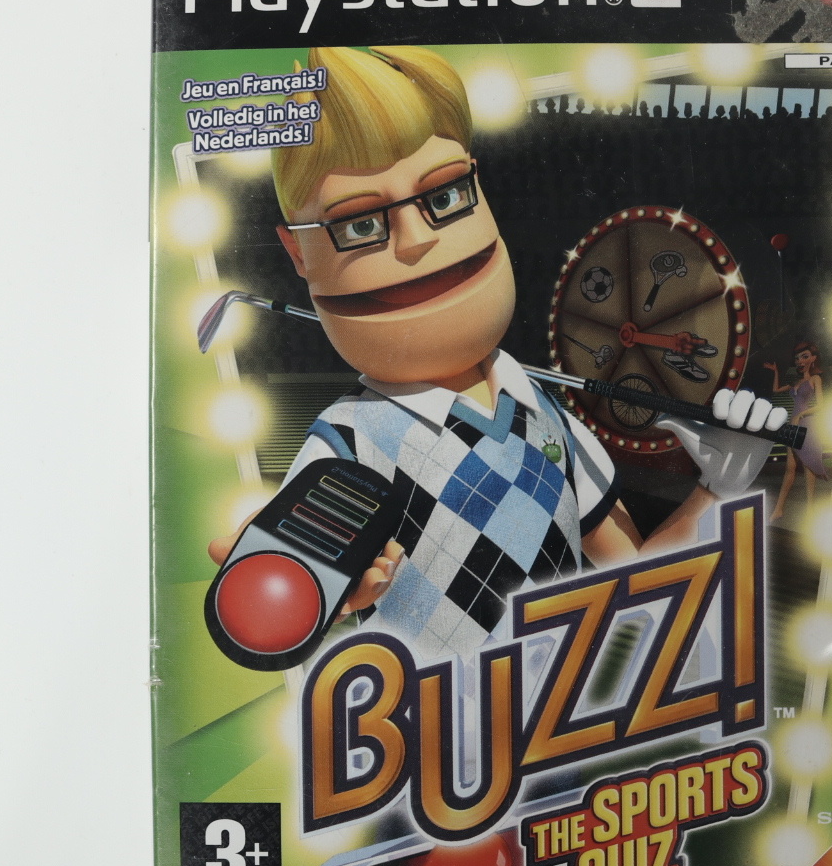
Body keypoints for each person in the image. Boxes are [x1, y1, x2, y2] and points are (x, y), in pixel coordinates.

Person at [209, 46, 782, 659]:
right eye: (360, 225)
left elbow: (639, 580)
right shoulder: (350, 441)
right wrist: (299, 581)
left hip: (564, 710)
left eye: (444, 196)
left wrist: (717, 489)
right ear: (298, 255)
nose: (417, 241)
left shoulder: (546, 415)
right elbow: (276, 597)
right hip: (426, 714)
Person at [762, 341, 829, 524]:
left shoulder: (815, 379)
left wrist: (801, 415)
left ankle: (810, 511)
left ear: (813, 358)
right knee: (790, 468)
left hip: (806, 425)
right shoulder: (796, 382)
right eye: (798, 358)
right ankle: (779, 509)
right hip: (792, 426)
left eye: (805, 356)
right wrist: (776, 371)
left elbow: (821, 405)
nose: (800, 361)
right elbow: (775, 390)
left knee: (808, 466)